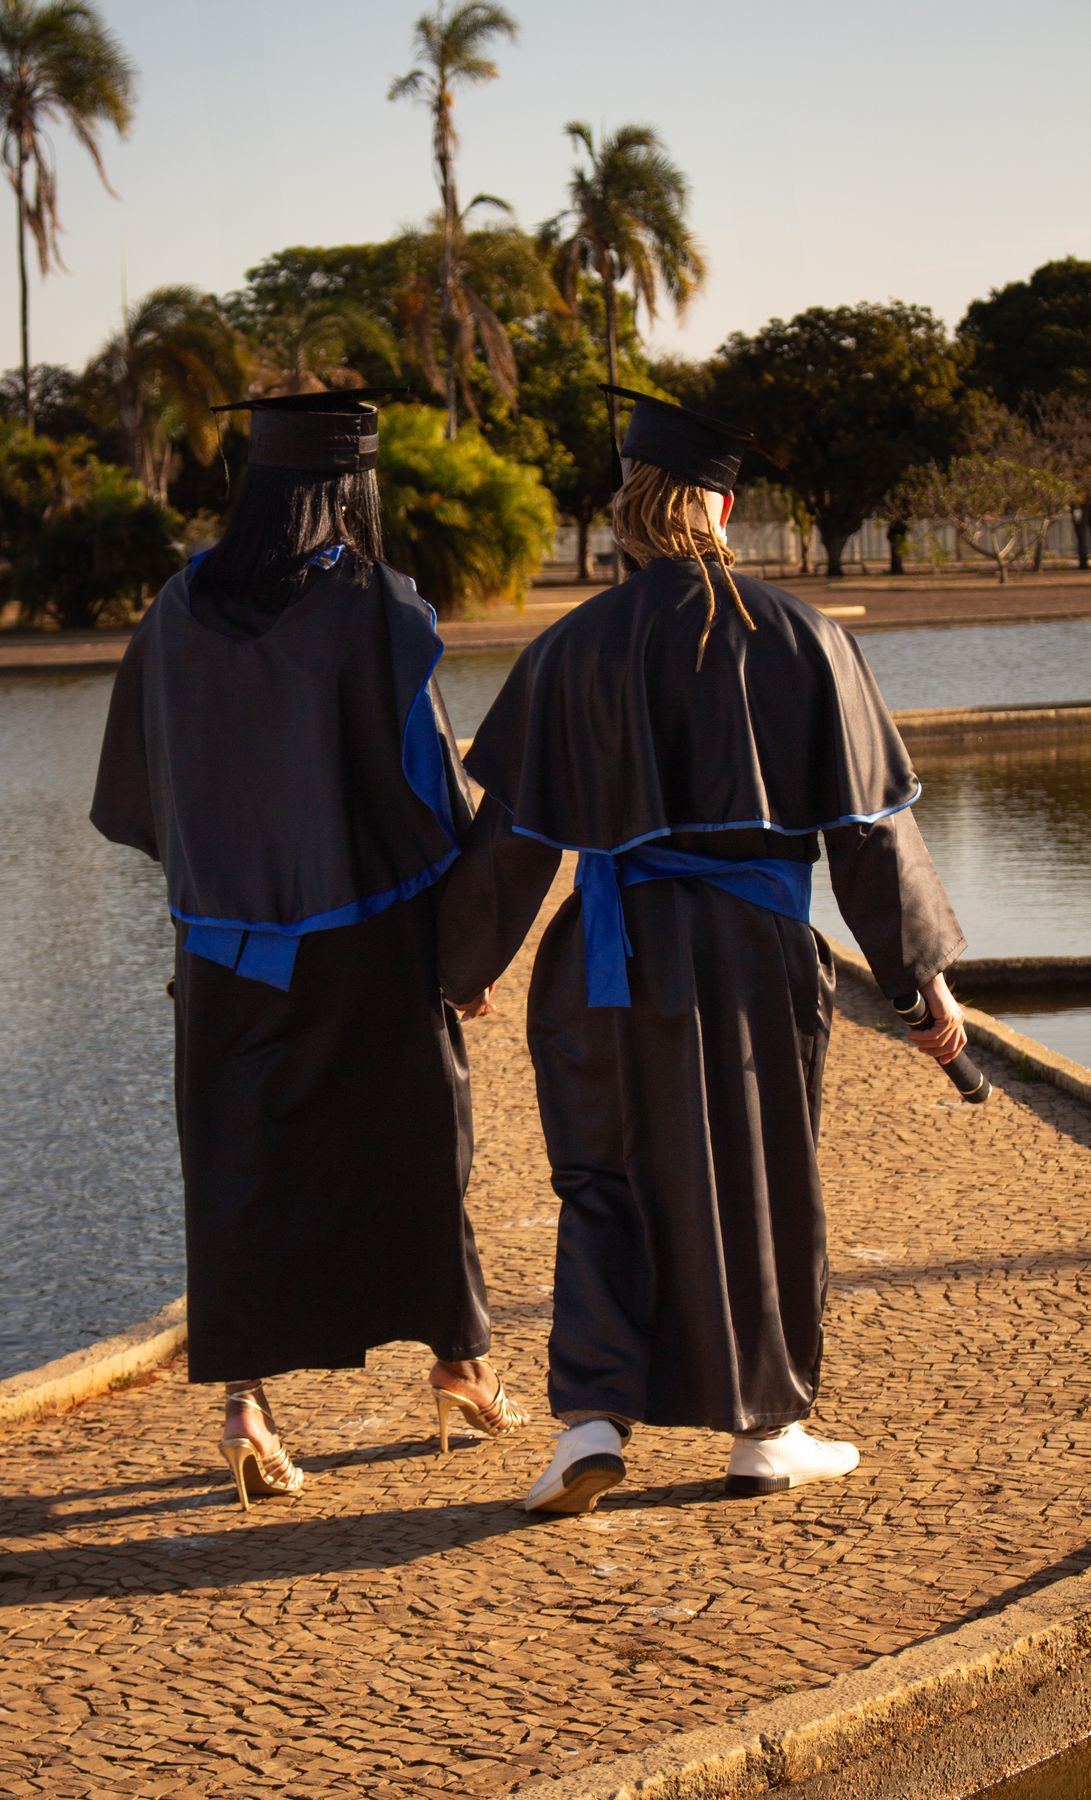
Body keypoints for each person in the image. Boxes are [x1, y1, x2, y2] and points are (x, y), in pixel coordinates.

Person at [436, 386, 968, 1515]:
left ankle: (590, 1423)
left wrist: (461, 970)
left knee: (601, 1179)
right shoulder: (803, 637)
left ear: (627, 509)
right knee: (762, 1176)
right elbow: (869, 833)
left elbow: (515, 839)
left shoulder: (569, 648)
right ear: (721, 508)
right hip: (750, 958)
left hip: (604, 957)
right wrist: (919, 983)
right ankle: (766, 1432)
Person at [91, 390, 526, 1509]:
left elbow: (144, 778)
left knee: (238, 1170)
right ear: (351, 489)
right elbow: (430, 788)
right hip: (368, 944)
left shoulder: (177, 607)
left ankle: (246, 1407)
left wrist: (226, 876)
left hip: (223, 953)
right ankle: (461, 1366)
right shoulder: (373, 605)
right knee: (423, 1153)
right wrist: (462, 950)